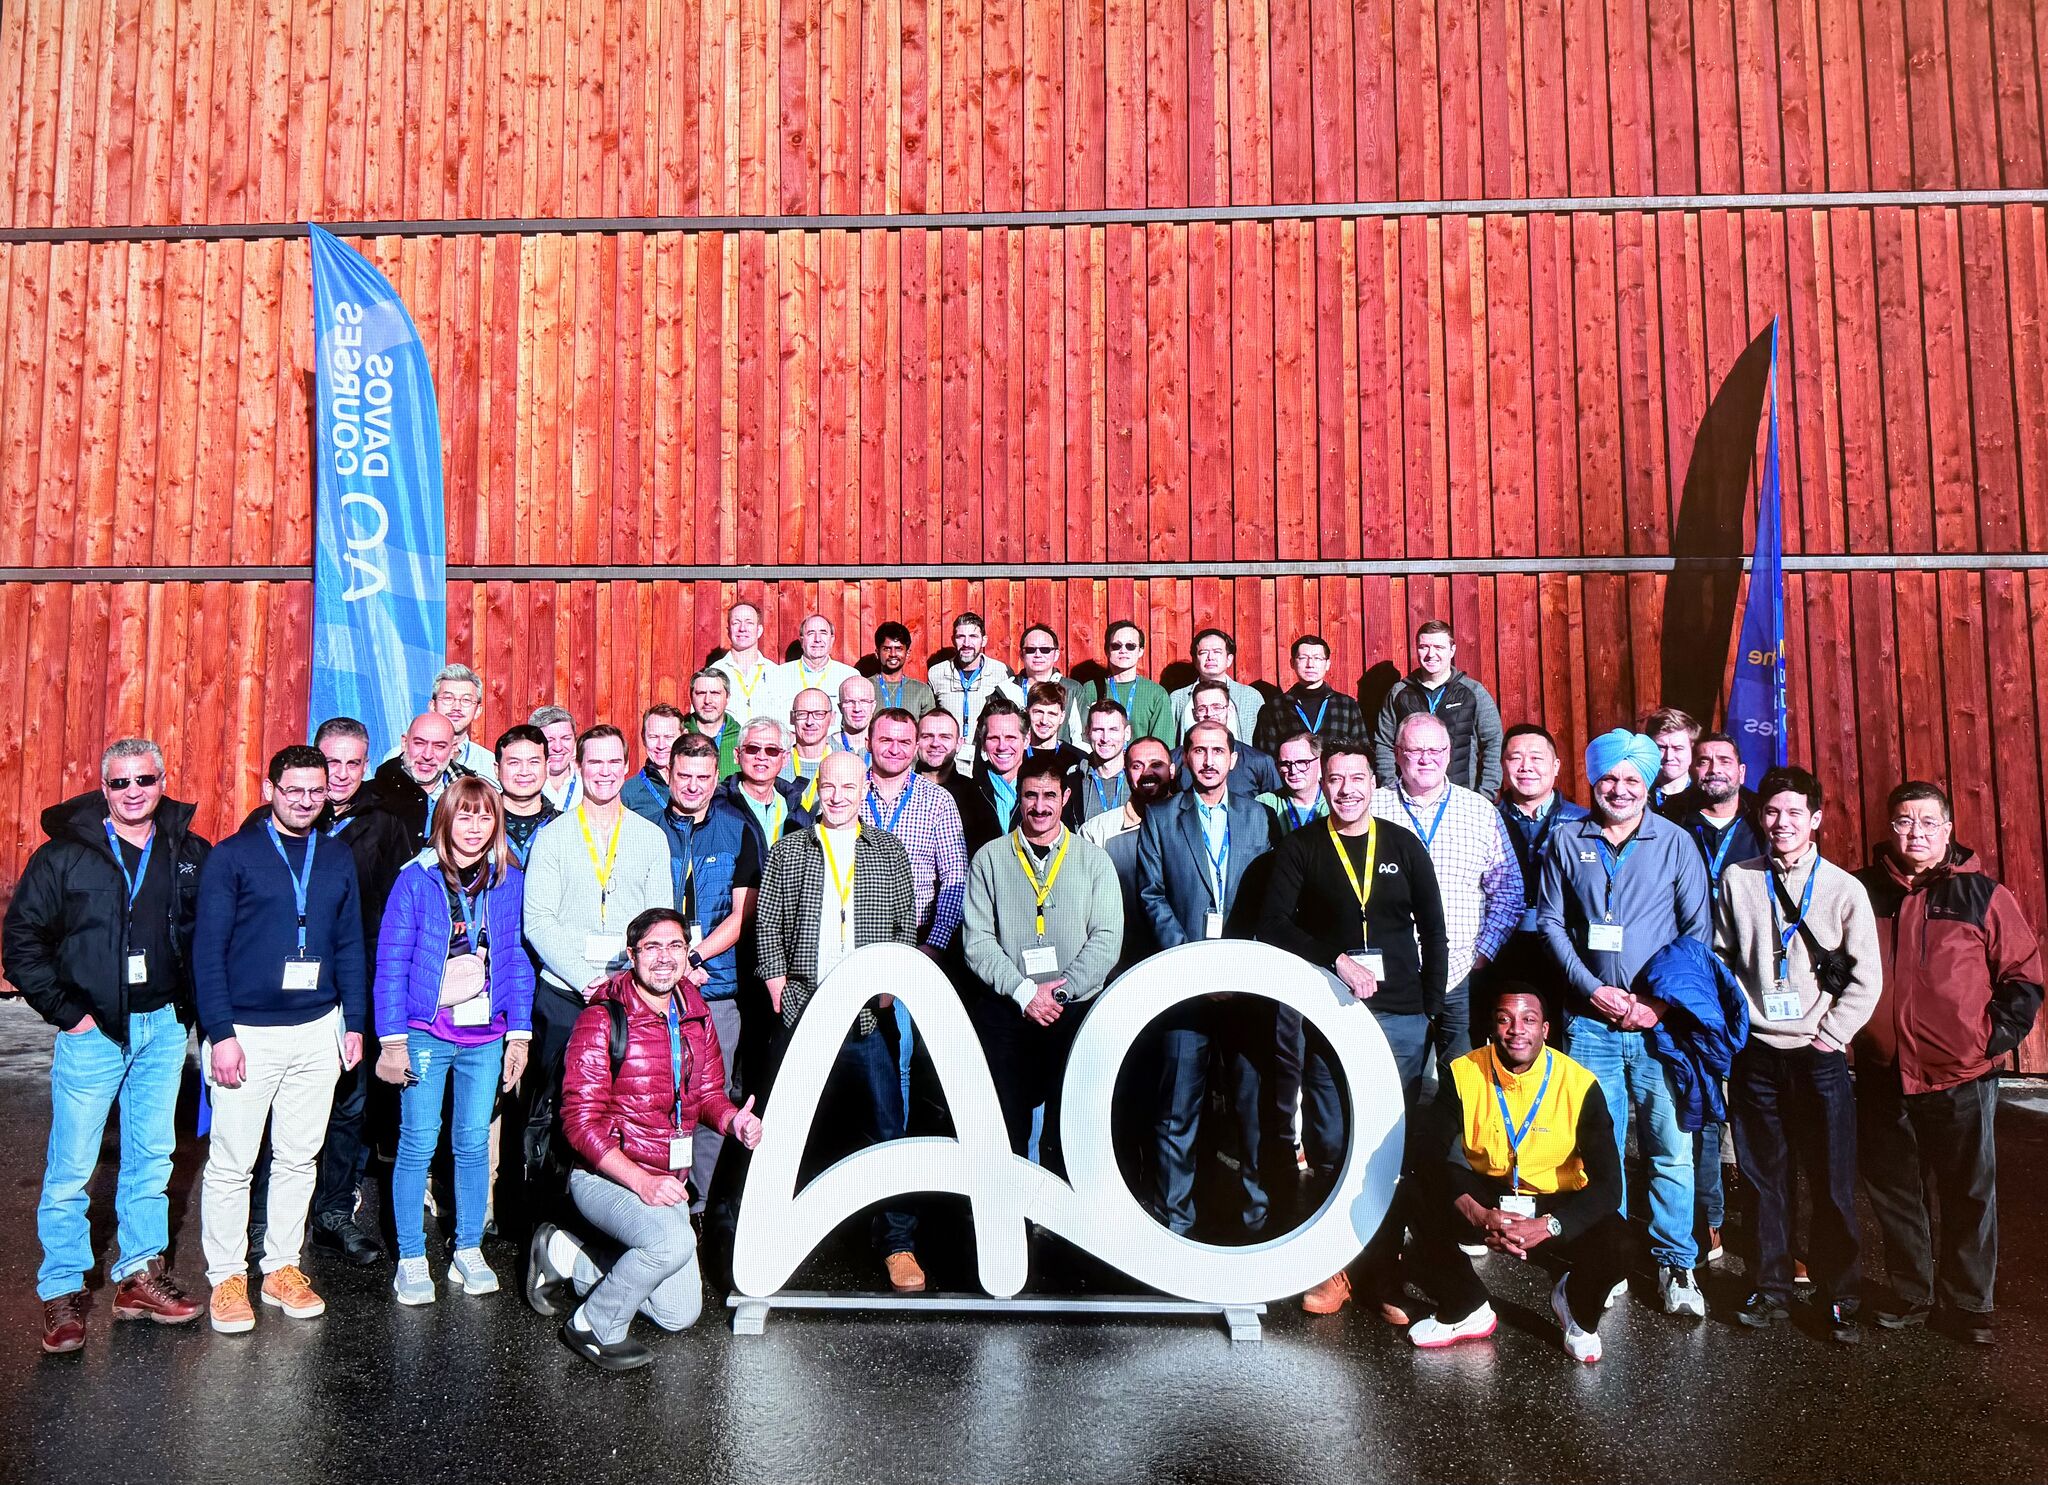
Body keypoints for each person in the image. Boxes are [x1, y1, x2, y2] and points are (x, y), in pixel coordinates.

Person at [6, 739, 212, 1351]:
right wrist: (70, 1015)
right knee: (72, 1166)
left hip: (164, 1027)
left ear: (161, 780)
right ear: (104, 787)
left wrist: (198, 1012)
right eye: (120, 782)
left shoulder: (188, 853)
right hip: (94, 1031)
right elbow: (21, 942)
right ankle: (62, 1290)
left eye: (144, 780)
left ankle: (138, 1277)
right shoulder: (64, 857)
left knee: (152, 1158)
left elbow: (207, 935)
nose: (133, 792)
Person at [529, 908, 765, 1370]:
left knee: (679, 1314)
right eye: (652, 947)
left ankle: (564, 1254)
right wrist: (641, 1182)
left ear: (686, 952)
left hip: (667, 1179)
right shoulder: (602, 1018)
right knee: (671, 1245)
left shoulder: (696, 1013)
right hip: (607, 1176)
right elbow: (579, 1123)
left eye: (675, 946)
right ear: (632, 954)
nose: (664, 958)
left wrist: (733, 1121)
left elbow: (709, 1094)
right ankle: (593, 1326)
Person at [1259, 743, 1447, 1319]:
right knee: (1336, 1143)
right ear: (1321, 781)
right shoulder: (1303, 847)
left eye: (1357, 778)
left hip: (1402, 1015)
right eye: (1335, 779)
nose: (1346, 790)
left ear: (1375, 782)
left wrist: (1430, 1010)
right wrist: (1335, 959)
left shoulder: (1402, 845)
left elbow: (1435, 932)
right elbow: (1273, 924)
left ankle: (1382, 1275)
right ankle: (1336, 1268)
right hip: (1333, 1013)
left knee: (1392, 1150)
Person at [1855, 781, 2044, 1345]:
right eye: (1904, 822)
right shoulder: (1863, 891)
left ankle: (1967, 1303)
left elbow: (2023, 975)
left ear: (1948, 829)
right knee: (1894, 1190)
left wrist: (1990, 1039)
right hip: (1882, 1071)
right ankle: (1912, 1294)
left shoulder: (1982, 895)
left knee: (1968, 1191)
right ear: (1890, 829)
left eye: (1927, 822)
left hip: (1959, 1073)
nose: (1915, 832)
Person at [1536, 728, 1712, 1318]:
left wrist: (1657, 1007)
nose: (1620, 788)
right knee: (1598, 1149)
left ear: (1648, 784)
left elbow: (1696, 937)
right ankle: (1604, 1258)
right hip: (1591, 1023)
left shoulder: (1677, 843)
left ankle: (1676, 1263)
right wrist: (1591, 989)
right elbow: (1551, 923)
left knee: (1670, 1148)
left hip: (1660, 1026)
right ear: (1593, 780)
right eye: (1609, 778)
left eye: (1632, 779)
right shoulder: (1566, 839)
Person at [193, 745, 367, 1334]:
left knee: (298, 1158)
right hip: (246, 1032)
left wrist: (356, 1024)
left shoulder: (338, 856)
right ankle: (226, 1276)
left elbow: (349, 945)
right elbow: (207, 953)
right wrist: (220, 1034)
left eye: (316, 791)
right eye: (292, 789)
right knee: (233, 1163)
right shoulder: (232, 857)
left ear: (328, 793)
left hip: (319, 1029)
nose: (304, 800)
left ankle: (282, 1267)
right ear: (270, 788)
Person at [1713, 766, 1881, 1343]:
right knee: (1763, 1179)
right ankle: (1770, 1286)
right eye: (1772, 813)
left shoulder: (1843, 888)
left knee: (1831, 1182)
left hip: (1819, 1054)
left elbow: (1867, 978)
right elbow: (1722, 958)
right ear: (1761, 818)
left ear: (1815, 820)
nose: (1781, 823)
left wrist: (1832, 1034)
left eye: (1794, 814)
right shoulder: (1738, 878)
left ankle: (1840, 1294)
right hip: (1757, 1053)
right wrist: (1740, 1020)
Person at [754, 752, 925, 1291]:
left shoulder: (888, 851)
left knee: (888, 1132)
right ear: (817, 790)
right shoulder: (792, 849)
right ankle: (773, 1233)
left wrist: (888, 990)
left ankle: (898, 1243)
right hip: (803, 1009)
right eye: (828, 786)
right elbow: (767, 920)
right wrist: (777, 982)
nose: (837, 796)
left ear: (865, 787)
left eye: (848, 786)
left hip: (867, 1020)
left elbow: (905, 923)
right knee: (785, 1128)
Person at [371, 777, 535, 1304]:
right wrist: (391, 1041)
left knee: (470, 1143)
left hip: (486, 1034)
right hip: (425, 1031)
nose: (473, 827)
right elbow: (391, 962)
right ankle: (413, 1257)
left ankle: (467, 1247)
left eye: (484, 817)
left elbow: (518, 959)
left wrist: (520, 1035)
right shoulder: (416, 880)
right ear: (445, 822)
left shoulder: (509, 881)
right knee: (417, 1142)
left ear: (496, 825)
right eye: (463, 816)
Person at [1403, 984, 1628, 1362]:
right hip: (1491, 1195)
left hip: (1554, 1204)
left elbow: (1610, 1186)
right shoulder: (1463, 1072)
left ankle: (1577, 1306)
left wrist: (1551, 1225)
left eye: (1528, 1020)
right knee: (1410, 1191)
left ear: (1546, 1030)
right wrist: (1477, 1212)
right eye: (1505, 1020)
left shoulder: (1579, 1084)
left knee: (1620, 1242)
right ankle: (1465, 1306)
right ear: (1493, 1027)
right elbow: (1425, 1152)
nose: (1516, 1030)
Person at [519, 725, 674, 1222]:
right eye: (594, 763)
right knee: (557, 1109)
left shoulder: (650, 837)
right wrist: (587, 977)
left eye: (613, 763)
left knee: (617, 1111)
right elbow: (538, 920)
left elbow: (659, 919)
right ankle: (547, 1216)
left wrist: (622, 980)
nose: (604, 773)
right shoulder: (554, 837)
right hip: (566, 994)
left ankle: (611, 1214)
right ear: (578, 767)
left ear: (625, 768)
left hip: (629, 998)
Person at [1137, 719, 1281, 1236]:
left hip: (1246, 986)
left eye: (1218, 750)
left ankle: (1258, 1220)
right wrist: (1192, 962)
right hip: (1183, 988)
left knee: (1252, 1110)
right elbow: (1151, 894)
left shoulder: (1261, 818)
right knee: (1177, 1110)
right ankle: (1175, 1220)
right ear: (1184, 760)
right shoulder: (1159, 817)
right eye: (1197, 751)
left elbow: (1272, 900)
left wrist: (1239, 962)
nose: (1208, 760)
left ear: (1234, 758)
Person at [964, 752, 1124, 1172]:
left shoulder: (1094, 861)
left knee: (1068, 1127)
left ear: (1065, 797)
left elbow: (1107, 939)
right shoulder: (990, 859)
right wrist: (1024, 992)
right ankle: (1009, 1225)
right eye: (1030, 795)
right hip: (1007, 1013)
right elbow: (977, 940)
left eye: (1049, 795)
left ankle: (1058, 1230)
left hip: (1073, 1012)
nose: (1039, 806)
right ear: (1019, 797)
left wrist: (1062, 989)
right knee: (1004, 1125)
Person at [646, 734, 762, 1227]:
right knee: (656, 1097)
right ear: (668, 774)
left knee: (712, 1098)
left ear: (717, 779)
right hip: (655, 990)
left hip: (715, 988)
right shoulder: (645, 828)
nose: (692, 786)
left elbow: (743, 914)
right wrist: (670, 962)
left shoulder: (739, 829)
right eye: (684, 776)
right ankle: (658, 1202)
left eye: (703, 777)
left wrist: (692, 954)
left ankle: (705, 1209)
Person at [1369, 713, 1520, 1089]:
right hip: (1394, 976)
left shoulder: (1479, 810)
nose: (1426, 758)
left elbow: (1509, 890)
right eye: (1415, 750)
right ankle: (1399, 1151)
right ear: (1397, 754)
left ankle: (1455, 1152)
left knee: (1464, 1088)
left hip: (1460, 974)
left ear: (1449, 753)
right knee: (1392, 1085)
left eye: (1435, 749)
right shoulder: (1372, 809)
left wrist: (1483, 951)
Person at [1666, 728, 1761, 1264]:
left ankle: (1773, 1232)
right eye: (1702, 762)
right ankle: (1710, 1221)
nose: (1712, 769)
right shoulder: (1672, 827)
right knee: (1699, 1110)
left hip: (1753, 986)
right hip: (1693, 988)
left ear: (1742, 772)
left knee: (1757, 1113)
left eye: (1723, 760)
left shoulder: (1765, 829)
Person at [1493, 723, 1588, 985]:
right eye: (1515, 758)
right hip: (1501, 946)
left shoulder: (1582, 823)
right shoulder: (1486, 820)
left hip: (1567, 946)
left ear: (1556, 766)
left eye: (1536, 758)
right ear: (1503, 765)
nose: (1525, 767)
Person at [1372, 621, 1503, 798]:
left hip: (1462, 798)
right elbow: (1384, 744)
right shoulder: (1398, 693)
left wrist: (1485, 794)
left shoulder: (1474, 692)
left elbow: (1494, 743)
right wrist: (1390, 789)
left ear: (1452, 650)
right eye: (1424, 647)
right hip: (1408, 799)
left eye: (1439, 647)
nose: (1431, 654)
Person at [1080, 738, 1177, 975]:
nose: (1147, 773)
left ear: (1172, 770)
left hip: (1180, 959)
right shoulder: (1097, 831)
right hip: (1122, 964)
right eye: (1137, 766)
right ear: (1125, 772)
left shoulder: (1193, 824)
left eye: (1157, 765)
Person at [928, 612, 1019, 773]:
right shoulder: (936, 673)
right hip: (948, 763)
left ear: (984, 640)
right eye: (961, 636)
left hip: (987, 760)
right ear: (953, 640)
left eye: (973, 636)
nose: (966, 643)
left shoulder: (1002, 672)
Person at [1253, 633, 1368, 755]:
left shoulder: (1347, 705)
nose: (1310, 665)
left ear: (1327, 664)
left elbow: (1362, 751)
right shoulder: (1275, 708)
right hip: (1293, 773)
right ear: (1292, 663)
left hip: (1334, 774)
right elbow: (1267, 758)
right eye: (1303, 658)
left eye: (1317, 658)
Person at [383, 664, 499, 783]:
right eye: (448, 698)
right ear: (433, 706)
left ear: (478, 710)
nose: (456, 707)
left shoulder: (489, 764)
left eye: (466, 700)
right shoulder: (397, 757)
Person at [719, 718, 816, 853]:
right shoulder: (716, 806)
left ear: (785, 758)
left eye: (772, 750)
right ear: (737, 755)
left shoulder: (798, 815)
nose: (761, 756)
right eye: (752, 749)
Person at [916, 707, 1003, 854]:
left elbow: (990, 851)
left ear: (959, 743)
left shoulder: (975, 795)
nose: (935, 743)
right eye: (927, 736)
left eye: (945, 737)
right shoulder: (900, 790)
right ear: (916, 741)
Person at [1173, 680, 1282, 796]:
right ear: (1194, 714)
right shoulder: (1175, 760)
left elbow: (1275, 807)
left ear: (1229, 710)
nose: (1209, 713)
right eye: (1202, 708)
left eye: (1217, 707)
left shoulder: (1259, 762)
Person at [1075, 620, 1175, 744]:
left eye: (1130, 646)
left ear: (1141, 651)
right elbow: (1082, 737)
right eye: (1116, 646)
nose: (1123, 650)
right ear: (1107, 650)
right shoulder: (1091, 689)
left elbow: (1163, 744)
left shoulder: (1156, 693)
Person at [1167, 627, 1265, 743]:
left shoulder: (1250, 697)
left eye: (1217, 652)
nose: (1210, 658)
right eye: (1203, 652)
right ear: (1195, 660)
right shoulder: (1178, 698)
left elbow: (1262, 743)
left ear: (1229, 659)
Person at [770, 613, 860, 728]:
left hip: (834, 744)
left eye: (823, 633)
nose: (817, 639)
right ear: (802, 640)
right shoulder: (779, 675)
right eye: (811, 633)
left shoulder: (849, 676)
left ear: (832, 639)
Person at [496, 723, 561, 867]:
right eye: (514, 762)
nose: (524, 771)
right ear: (497, 769)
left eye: (534, 762)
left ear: (547, 767)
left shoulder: (566, 826)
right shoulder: (478, 825)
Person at [1011, 622, 1086, 740]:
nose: (1038, 655)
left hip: (1062, 758)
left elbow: (1082, 740)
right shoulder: (1005, 690)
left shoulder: (1072, 689)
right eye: (1030, 649)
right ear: (1021, 654)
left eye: (1045, 649)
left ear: (1056, 655)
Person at [711, 600, 778, 727]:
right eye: (736, 623)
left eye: (749, 623)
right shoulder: (714, 673)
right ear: (728, 631)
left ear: (759, 630)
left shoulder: (776, 672)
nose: (742, 629)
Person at [972, 694, 1031, 834]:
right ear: (983, 743)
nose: (1002, 746)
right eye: (993, 738)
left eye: (1010, 737)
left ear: (1026, 740)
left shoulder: (1042, 789)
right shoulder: (969, 793)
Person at [620, 703, 687, 822]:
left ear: (683, 737)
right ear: (643, 739)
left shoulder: (696, 784)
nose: (661, 746)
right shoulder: (628, 792)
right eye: (653, 737)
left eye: (669, 737)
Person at [1072, 699, 1134, 825]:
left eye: (1113, 729)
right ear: (1087, 732)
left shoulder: (1138, 779)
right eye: (1098, 730)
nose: (1105, 738)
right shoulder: (1074, 779)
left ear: (1127, 733)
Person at [1257, 728, 1328, 833]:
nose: (1293, 771)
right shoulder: (1265, 804)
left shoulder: (1334, 803)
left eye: (1302, 762)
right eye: (1286, 764)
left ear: (1320, 762)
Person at [869, 621, 938, 719]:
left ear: (908, 653)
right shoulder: (866, 688)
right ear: (877, 653)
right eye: (887, 649)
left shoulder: (922, 691)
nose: (893, 654)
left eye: (898, 649)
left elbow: (929, 728)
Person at [1642, 706, 1701, 813]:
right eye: (1661, 748)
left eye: (1678, 748)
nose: (1669, 757)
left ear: (1692, 749)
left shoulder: (1705, 798)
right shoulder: (1636, 796)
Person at [685, 670, 742, 778]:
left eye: (715, 693)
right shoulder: (679, 735)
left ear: (727, 697)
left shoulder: (742, 738)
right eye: (701, 693)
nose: (708, 701)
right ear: (691, 697)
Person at [783, 688, 835, 797]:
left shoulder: (845, 762)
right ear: (792, 718)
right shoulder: (778, 763)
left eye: (819, 714)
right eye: (802, 714)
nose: (809, 722)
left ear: (832, 718)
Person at [1023, 681, 1085, 773]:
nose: (1044, 721)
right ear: (1027, 712)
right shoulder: (1015, 755)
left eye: (1052, 714)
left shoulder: (1078, 759)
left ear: (1062, 717)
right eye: (1038, 712)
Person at [530, 705, 582, 811]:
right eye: (549, 740)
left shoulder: (588, 785)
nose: (558, 748)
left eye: (565, 738)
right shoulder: (521, 785)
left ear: (575, 741)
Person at [836, 675, 878, 764]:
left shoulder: (885, 748)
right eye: (849, 702)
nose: (857, 709)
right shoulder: (826, 747)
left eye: (864, 701)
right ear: (840, 708)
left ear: (873, 706)